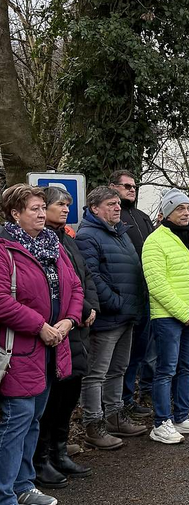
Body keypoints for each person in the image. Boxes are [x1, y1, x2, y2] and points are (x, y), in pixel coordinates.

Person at [0, 184, 84, 505]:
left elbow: (75, 285)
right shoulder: (5, 248)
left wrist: (68, 321)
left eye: (40, 208)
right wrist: (40, 326)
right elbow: (2, 301)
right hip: (19, 351)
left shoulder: (54, 244)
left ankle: (23, 486)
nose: (39, 213)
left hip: (52, 349)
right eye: (33, 209)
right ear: (15, 214)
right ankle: (5, 495)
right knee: (15, 423)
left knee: (34, 420)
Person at [34, 187, 99, 490]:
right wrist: (80, 309)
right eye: (60, 205)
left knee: (70, 392)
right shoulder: (38, 243)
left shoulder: (68, 241)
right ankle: (41, 458)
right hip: (57, 329)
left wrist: (91, 307)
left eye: (67, 205)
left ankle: (60, 451)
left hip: (78, 329)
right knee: (52, 397)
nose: (65, 209)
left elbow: (83, 277)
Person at [76, 187, 147, 449]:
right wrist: (116, 303)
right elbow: (91, 277)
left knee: (118, 369)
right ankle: (93, 425)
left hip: (126, 315)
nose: (117, 207)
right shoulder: (88, 236)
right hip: (108, 318)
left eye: (118, 203)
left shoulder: (120, 233)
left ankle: (115, 416)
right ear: (94, 208)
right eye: (111, 204)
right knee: (96, 373)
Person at [141, 189, 189, 444]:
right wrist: (184, 313)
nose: (185, 213)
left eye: (187, 208)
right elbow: (157, 283)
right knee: (166, 370)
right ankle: (161, 422)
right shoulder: (155, 241)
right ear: (167, 212)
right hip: (168, 317)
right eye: (179, 208)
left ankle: (182, 415)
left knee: (185, 368)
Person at [109, 170, 156, 420]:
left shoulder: (143, 217)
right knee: (119, 356)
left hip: (146, 294)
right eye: (126, 186)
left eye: (134, 186)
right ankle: (115, 405)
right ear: (112, 187)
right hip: (120, 298)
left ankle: (130, 398)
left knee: (140, 350)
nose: (131, 190)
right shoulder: (111, 218)